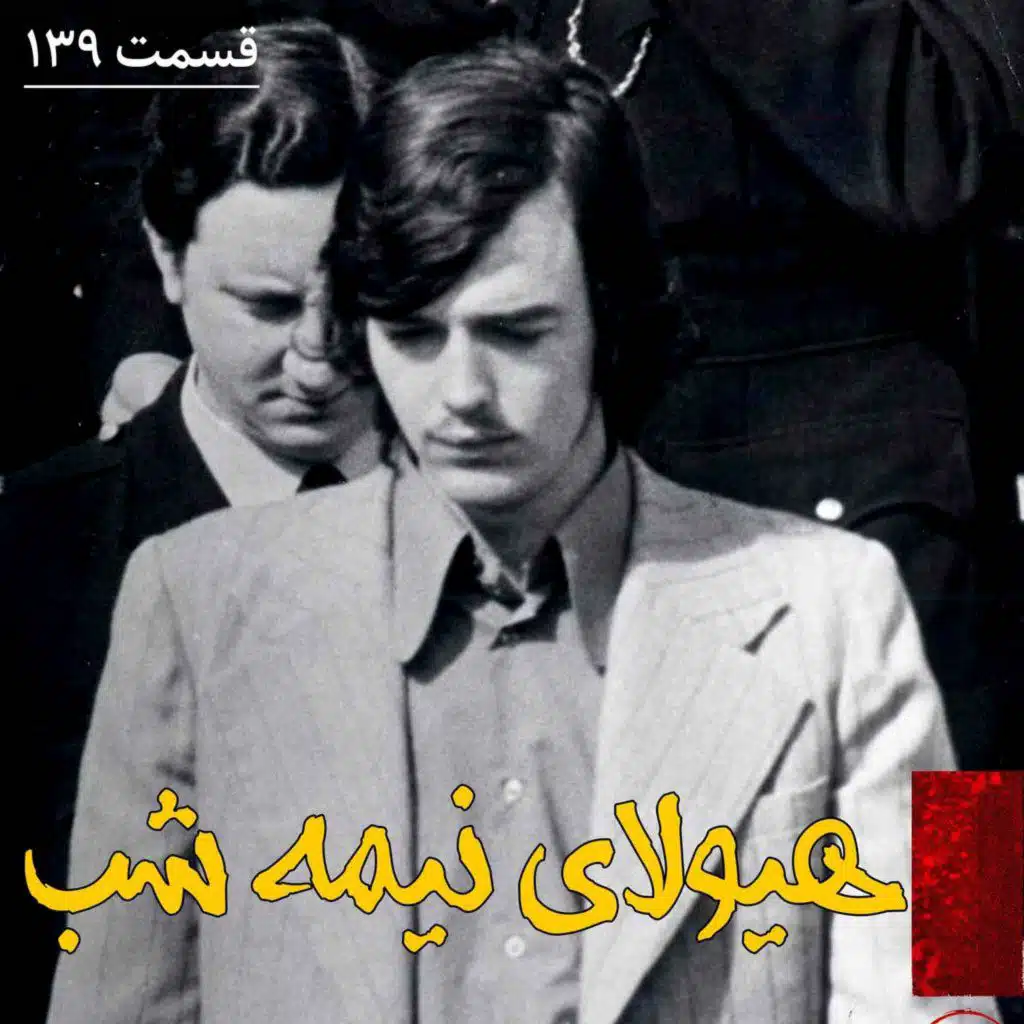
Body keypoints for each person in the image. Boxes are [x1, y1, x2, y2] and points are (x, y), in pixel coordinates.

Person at [47, 41, 1000, 1024]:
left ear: (607, 314)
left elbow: (959, 992)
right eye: (414, 334)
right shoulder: (184, 594)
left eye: (515, 332)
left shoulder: (856, 596)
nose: (461, 393)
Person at [5, 19, 382, 1022]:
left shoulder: (500, 520)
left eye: (357, 298)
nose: (318, 358)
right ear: (166, 259)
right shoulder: (31, 555)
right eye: (267, 307)